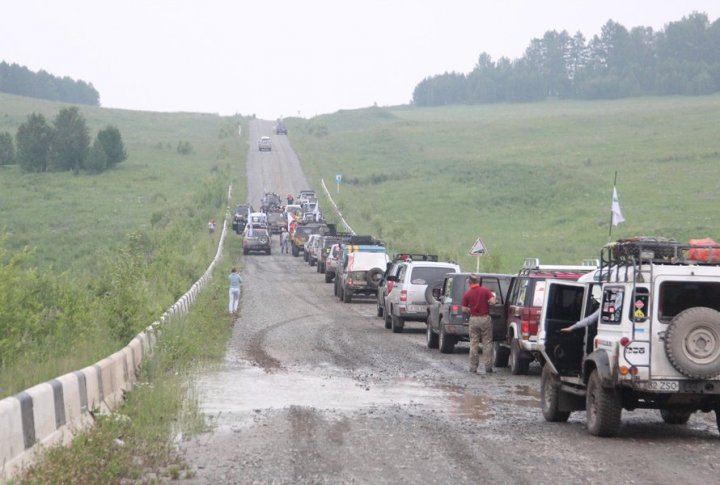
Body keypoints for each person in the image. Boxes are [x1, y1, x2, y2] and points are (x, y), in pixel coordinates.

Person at [461, 273, 497, 374]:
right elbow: (493, 302)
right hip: (485, 318)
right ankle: (488, 367)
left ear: (469, 282)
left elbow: (463, 309)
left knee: (473, 343)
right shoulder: (485, 290)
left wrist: (471, 309)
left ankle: (473, 367)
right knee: (487, 343)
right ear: (478, 281)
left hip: (474, 319)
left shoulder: (467, 294)